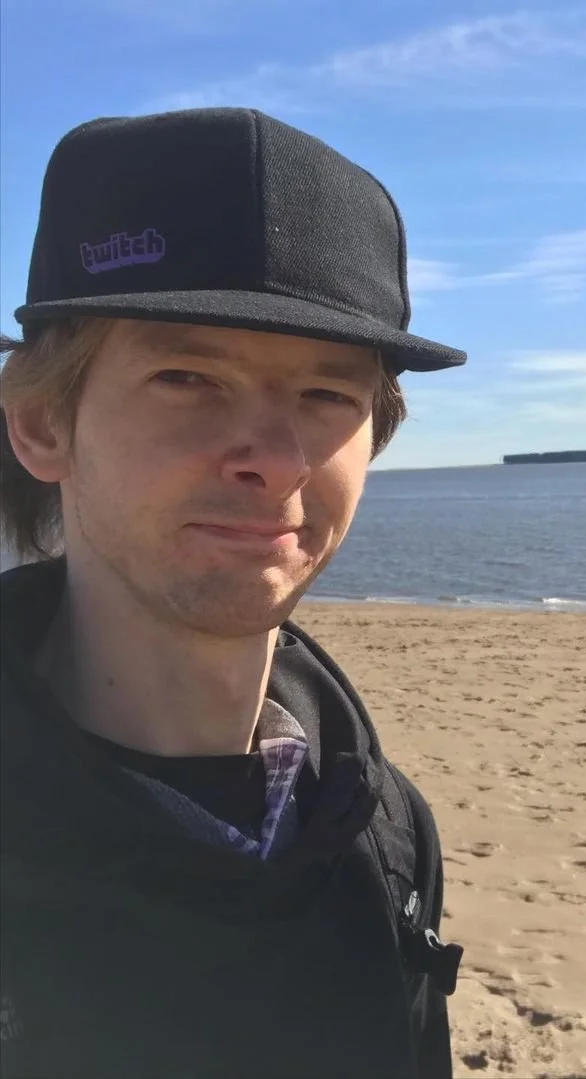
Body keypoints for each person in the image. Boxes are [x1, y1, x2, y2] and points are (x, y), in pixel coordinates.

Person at [0, 108, 467, 1079]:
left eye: (327, 393)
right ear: (42, 420)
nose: (274, 456)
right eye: (188, 375)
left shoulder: (381, 823)